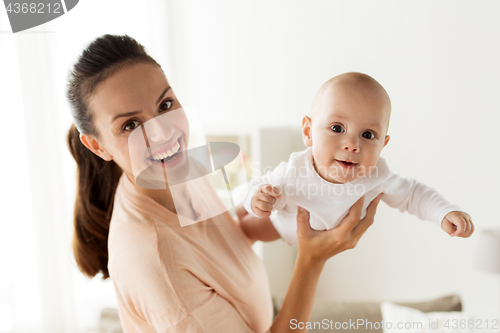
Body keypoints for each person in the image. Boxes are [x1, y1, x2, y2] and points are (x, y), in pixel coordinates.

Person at [66, 34, 381, 332]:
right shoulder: (156, 259)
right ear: (97, 146)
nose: (163, 133)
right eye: (131, 125)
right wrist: (312, 260)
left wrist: (304, 208)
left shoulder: (175, 169)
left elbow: (230, 239)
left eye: (165, 106)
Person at [240, 73, 474, 247]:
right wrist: (256, 198)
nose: (352, 144)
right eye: (337, 127)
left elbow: (413, 195)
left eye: (368, 135)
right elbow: (259, 186)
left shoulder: (378, 175)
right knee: (251, 226)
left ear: (383, 144)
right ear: (309, 132)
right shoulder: (295, 170)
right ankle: (236, 214)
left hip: (318, 241)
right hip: (282, 224)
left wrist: (444, 212)